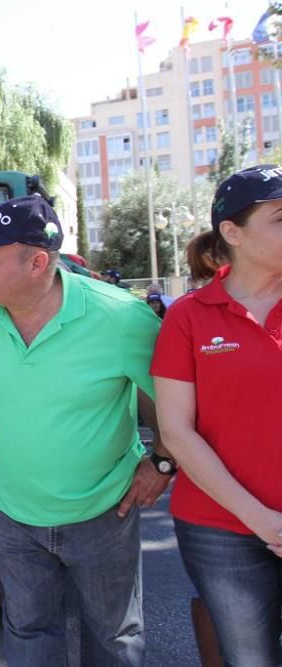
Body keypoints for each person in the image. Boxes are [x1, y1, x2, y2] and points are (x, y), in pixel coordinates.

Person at [0, 195, 173, 666]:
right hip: (11, 515)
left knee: (113, 637)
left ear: (37, 262)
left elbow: (167, 398)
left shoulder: (121, 318)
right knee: (28, 631)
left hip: (104, 512)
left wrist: (163, 462)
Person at [151, 164, 282, 666]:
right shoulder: (189, 316)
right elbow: (176, 430)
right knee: (249, 659)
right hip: (220, 529)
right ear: (233, 233)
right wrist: (260, 520)